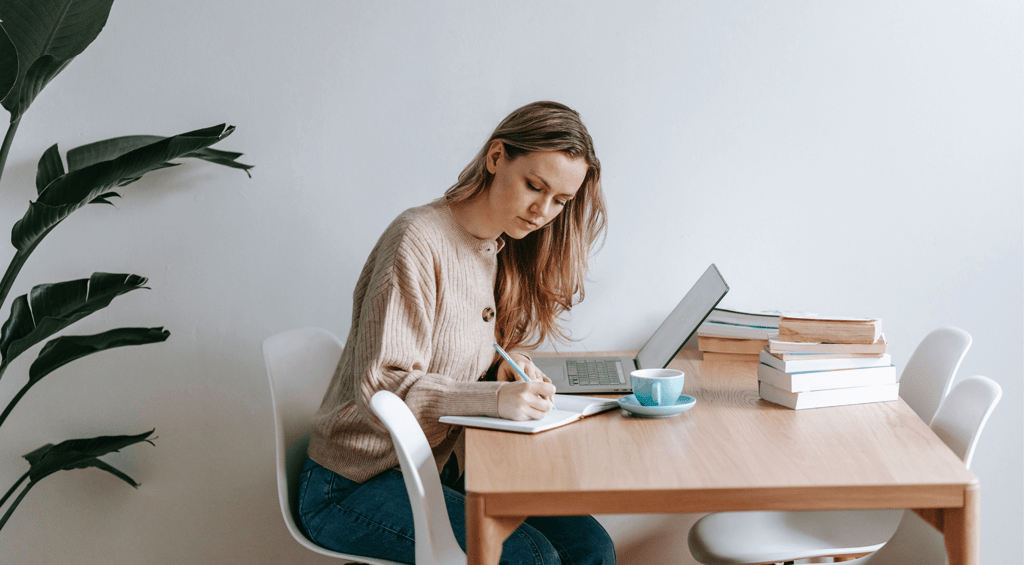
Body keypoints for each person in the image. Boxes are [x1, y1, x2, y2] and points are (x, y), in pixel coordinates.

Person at [299, 101, 615, 565]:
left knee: (591, 547)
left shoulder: (493, 246)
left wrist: (503, 370)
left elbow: (451, 350)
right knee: (533, 559)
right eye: (534, 186)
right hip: (353, 483)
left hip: (434, 469)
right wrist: (490, 401)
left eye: (560, 201)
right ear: (496, 157)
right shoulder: (417, 240)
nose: (542, 211)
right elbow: (382, 383)